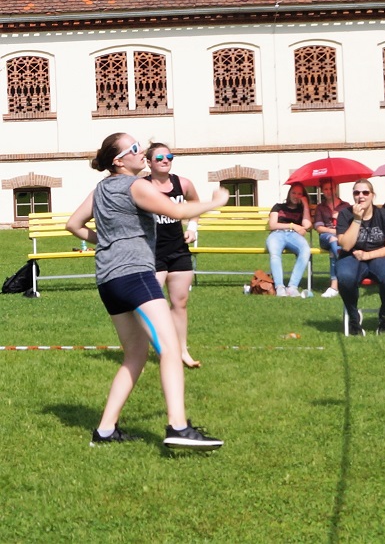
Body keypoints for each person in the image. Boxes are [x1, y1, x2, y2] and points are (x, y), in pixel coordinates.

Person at [66, 132, 227, 449]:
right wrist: (217, 201)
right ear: (119, 160)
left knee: (136, 355)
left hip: (108, 281)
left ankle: (105, 431)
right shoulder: (136, 185)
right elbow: (177, 212)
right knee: (170, 348)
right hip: (135, 275)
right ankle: (178, 427)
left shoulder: (100, 190)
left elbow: (73, 224)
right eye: (135, 148)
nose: (142, 152)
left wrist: (106, 241)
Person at [144, 143, 202, 368]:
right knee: (150, 305)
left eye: (169, 156)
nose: (165, 160)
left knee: (180, 302)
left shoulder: (182, 183)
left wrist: (192, 227)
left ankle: (182, 351)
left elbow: (195, 204)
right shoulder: (142, 186)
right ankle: (155, 352)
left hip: (178, 250)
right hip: (151, 252)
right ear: (149, 162)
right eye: (159, 158)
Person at [336, 179, 385, 336]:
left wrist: (368, 255)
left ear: (372, 195)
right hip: (352, 256)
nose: (361, 196)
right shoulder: (345, 214)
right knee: (345, 277)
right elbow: (346, 246)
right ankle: (353, 318)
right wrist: (357, 219)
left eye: (365, 192)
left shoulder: (384, 215)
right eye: (357, 193)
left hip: (379, 255)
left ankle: (384, 316)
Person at [267, 184, 313, 297]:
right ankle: (279, 287)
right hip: (277, 234)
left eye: (299, 194)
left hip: (294, 236)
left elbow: (307, 225)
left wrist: (305, 204)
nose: (296, 196)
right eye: (294, 193)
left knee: (305, 250)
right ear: (289, 193)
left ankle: (292, 287)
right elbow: (272, 225)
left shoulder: (301, 210)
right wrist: (293, 225)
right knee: (275, 254)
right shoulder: (278, 207)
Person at [313, 180, 350, 297]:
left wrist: (340, 217)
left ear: (336, 188)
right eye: (326, 189)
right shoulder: (320, 207)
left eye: (331, 188)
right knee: (333, 240)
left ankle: (334, 286)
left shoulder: (346, 206)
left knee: (334, 249)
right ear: (322, 191)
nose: (329, 191)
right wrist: (333, 231)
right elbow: (319, 228)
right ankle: (346, 271)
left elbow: (352, 226)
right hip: (326, 237)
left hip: (342, 237)